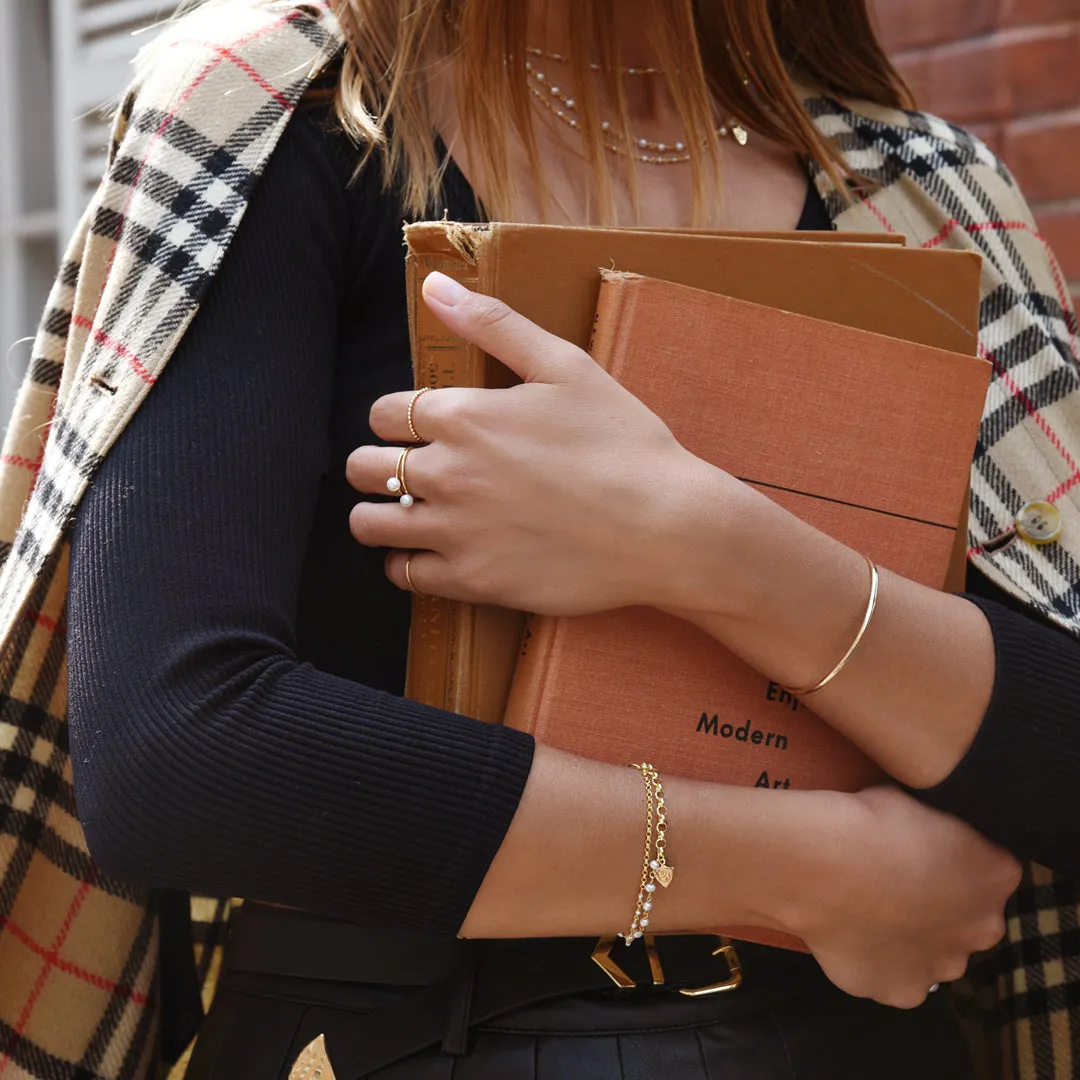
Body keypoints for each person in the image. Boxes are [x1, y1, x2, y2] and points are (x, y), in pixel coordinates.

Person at [40, 0, 1077, 1076]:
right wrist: (811, 870)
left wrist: (699, 543)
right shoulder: (285, 111)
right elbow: (176, 753)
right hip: (402, 1038)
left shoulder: (933, 190)